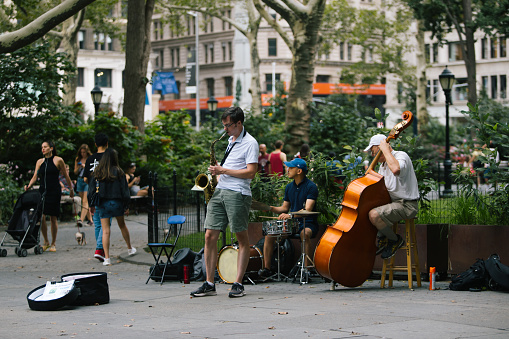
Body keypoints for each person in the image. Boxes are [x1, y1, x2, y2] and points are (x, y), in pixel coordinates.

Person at [190, 106, 259, 298]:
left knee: (241, 238)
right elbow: (230, 166)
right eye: (224, 125)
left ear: (239, 123)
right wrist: (218, 174)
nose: (225, 129)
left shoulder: (250, 143)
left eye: (228, 125)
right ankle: (209, 283)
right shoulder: (230, 140)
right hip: (221, 191)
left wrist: (223, 171)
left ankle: (238, 283)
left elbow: (251, 172)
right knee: (209, 235)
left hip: (238, 193)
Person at [258, 158, 318, 278]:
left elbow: (308, 209)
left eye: (291, 168)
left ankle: (306, 269)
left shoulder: (311, 187)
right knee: (270, 234)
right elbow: (284, 208)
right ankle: (267, 269)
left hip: (308, 223)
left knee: (305, 233)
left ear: (299, 171)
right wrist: (270, 208)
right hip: (292, 224)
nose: (288, 169)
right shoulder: (289, 187)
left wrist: (290, 215)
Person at [364, 134, 419, 259]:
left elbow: (396, 170)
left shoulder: (401, 156)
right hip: (393, 203)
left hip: (407, 205)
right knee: (366, 212)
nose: (373, 155)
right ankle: (382, 237)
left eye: (373, 151)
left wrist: (385, 150)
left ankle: (394, 240)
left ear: (380, 148)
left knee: (374, 215)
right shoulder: (382, 166)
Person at [88, 148, 136, 266]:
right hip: (117, 203)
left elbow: (91, 190)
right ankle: (130, 248)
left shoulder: (98, 172)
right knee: (122, 225)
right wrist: (126, 205)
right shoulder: (119, 172)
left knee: (105, 231)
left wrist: (91, 204)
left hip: (103, 204)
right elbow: (125, 191)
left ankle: (107, 258)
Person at [25, 141, 74, 252]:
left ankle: (53, 243)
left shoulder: (58, 160)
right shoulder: (40, 162)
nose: (43, 149)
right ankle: (46, 241)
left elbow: (66, 176)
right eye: (42, 147)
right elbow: (35, 176)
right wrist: (28, 186)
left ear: (51, 148)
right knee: (41, 216)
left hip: (54, 191)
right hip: (43, 191)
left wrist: (71, 189)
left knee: (53, 217)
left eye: (45, 147)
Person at [84, 133, 109, 262]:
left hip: (93, 193)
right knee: (106, 224)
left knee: (98, 224)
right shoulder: (109, 157)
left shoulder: (90, 159)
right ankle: (100, 249)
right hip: (106, 193)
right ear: (107, 144)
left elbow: (85, 178)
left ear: (95, 145)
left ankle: (101, 250)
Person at [74, 144, 93, 226]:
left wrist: (85, 166)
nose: (83, 154)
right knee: (83, 201)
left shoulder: (90, 158)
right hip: (80, 179)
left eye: (84, 152)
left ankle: (81, 220)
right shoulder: (78, 159)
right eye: (81, 152)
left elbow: (93, 170)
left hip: (87, 180)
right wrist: (79, 167)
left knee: (85, 200)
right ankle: (90, 220)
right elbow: (75, 172)